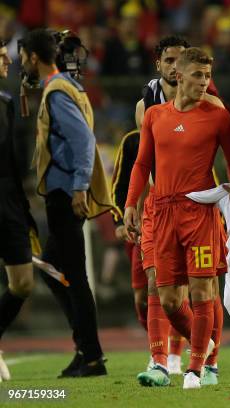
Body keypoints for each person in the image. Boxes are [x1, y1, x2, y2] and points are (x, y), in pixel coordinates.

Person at [124, 47, 230, 389]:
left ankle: (196, 370)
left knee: (202, 288)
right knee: (168, 299)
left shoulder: (218, 115)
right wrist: (132, 203)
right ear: (179, 76)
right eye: (198, 75)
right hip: (162, 210)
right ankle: (204, 347)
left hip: (199, 211)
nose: (205, 83)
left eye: (208, 76)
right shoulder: (154, 116)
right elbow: (142, 163)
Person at [21, 28, 114, 377]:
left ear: (33, 57)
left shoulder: (58, 91)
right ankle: (85, 346)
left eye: (25, 57)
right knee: (53, 267)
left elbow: (83, 142)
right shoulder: (66, 87)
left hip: (65, 195)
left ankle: (91, 354)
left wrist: (78, 188)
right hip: (63, 193)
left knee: (73, 275)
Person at [113, 35, 193, 380]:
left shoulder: (205, 97)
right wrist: (127, 207)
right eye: (169, 60)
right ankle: (167, 352)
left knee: (181, 285)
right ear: (158, 63)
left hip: (191, 204)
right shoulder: (147, 104)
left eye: (181, 60)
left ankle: (171, 356)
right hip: (156, 205)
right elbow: (141, 161)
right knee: (148, 294)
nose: (176, 68)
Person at [0, 38, 35, 382]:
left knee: (23, 283)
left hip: (8, 204)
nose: (7, 63)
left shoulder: (8, 102)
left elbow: (14, 160)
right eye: (1, 58)